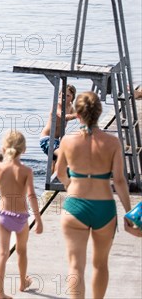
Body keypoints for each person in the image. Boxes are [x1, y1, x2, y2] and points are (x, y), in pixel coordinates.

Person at [56, 91, 141, 299]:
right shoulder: (112, 143)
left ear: (77, 114)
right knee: (100, 264)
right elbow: (120, 180)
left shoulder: (67, 141)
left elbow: (59, 172)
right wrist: (129, 211)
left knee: (75, 266)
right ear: (99, 112)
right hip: (104, 208)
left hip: (75, 207)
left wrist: (70, 185)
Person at [0, 131, 43, 299]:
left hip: (3, 216)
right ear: (24, 150)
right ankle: (23, 283)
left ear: (4, 147)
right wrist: (38, 219)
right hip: (21, 217)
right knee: (22, 251)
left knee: (2, 253)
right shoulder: (26, 170)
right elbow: (31, 196)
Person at [40, 84, 77, 171]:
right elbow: (63, 116)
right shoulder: (57, 105)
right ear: (59, 95)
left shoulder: (71, 107)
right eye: (63, 95)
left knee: (56, 161)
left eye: (68, 96)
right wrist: (78, 115)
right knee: (62, 155)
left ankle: (53, 179)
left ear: (72, 97)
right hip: (47, 139)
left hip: (57, 140)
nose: (65, 98)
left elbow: (77, 115)